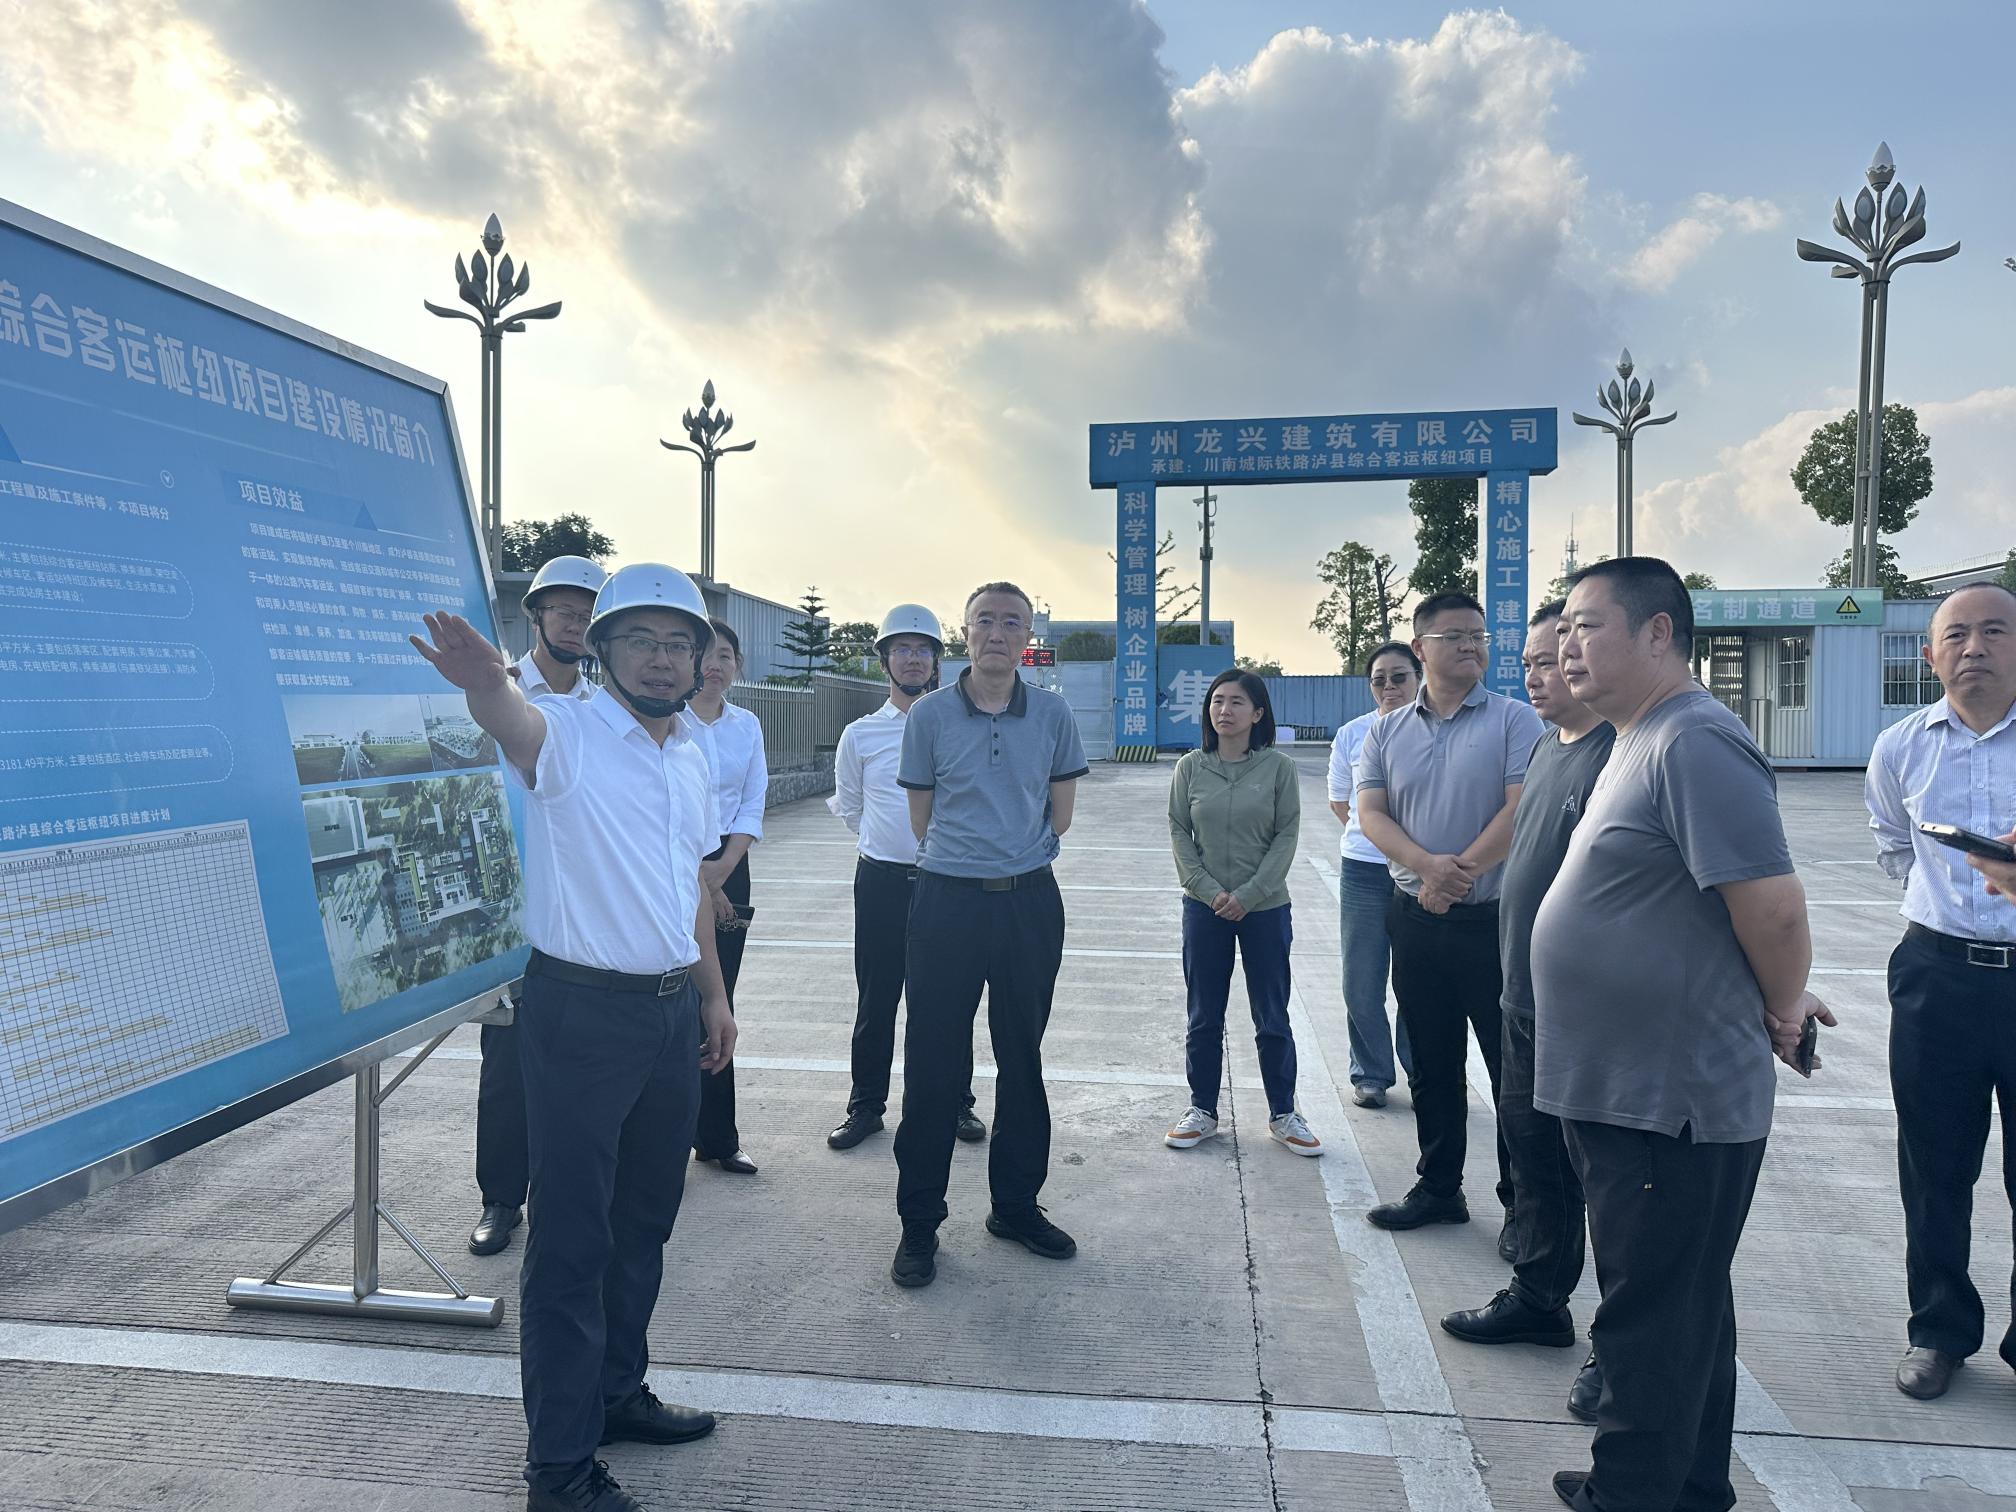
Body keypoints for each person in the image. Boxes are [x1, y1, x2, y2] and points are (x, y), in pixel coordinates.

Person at [411, 563, 736, 1512]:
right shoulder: (571, 733)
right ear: (601, 650)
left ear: (699, 659)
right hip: (581, 1016)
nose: (662, 660)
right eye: (640, 641)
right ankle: (558, 1470)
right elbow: (513, 723)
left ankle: (617, 1394)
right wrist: (485, 684)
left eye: (678, 643)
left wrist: (713, 997)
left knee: (645, 1221)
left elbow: (693, 886)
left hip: (669, 1013)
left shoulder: (694, 754)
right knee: (570, 1244)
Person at [1532, 556, 1833, 1512]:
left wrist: (1783, 1006)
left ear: (1658, 632)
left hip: (1671, 1099)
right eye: (1563, 630)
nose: (1567, 646)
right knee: (1683, 1300)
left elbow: (1772, 908)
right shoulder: (1639, 737)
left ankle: (1632, 1495)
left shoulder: (1696, 739)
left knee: (1651, 1310)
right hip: (1627, 1085)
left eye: (1586, 625)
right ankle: (1688, 1484)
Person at [1439, 601, 1613, 1423]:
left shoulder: (1624, 754)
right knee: (1536, 1162)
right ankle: (1540, 1300)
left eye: (1557, 660)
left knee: (1610, 1188)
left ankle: (1622, 1348)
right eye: (1534, 663)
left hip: (1593, 1015)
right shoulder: (1550, 748)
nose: (1542, 677)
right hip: (1525, 1001)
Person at [889, 581, 1088, 1288]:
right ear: (965, 632)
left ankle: (1015, 1207)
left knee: (1021, 1058)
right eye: (984, 621)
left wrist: (1010, 852)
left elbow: (1060, 815)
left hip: (1029, 904)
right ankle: (919, 1222)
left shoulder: (1054, 714)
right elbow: (921, 819)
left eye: (1012, 622)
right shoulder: (930, 716)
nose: (997, 633)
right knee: (934, 1063)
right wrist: (973, 856)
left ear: (1027, 636)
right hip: (946, 904)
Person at [1864, 582, 2016, 1402]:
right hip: (1935, 976)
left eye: (1994, 631)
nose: (1975, 648)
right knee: (1934, 1168)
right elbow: (1894, 844)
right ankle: (1938, 1330)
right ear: (1930, 655)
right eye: (1956, 635)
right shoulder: (1900, 747)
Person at [1356, 592, 1543, 1246]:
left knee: (1510, 1071)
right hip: (1415, 920)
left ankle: (1522, 1207)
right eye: (1454, 635)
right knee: (1432, 1064)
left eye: (1478, 636)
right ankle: (1439, 1189)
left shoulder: (1515, 720)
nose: (1471, 646)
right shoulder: (1386, 730)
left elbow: (1521, 809)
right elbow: (1371, 813)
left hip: (1493, 924)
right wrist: (1427, 871)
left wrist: (1454, 874)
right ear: (1421, 648)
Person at [471, 553, 608, 1259]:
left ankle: (574, 1193)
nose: (576, 625)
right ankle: (502, 1198)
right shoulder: (497, 687)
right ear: (536, 616)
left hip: (579, 898)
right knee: (508, 1061)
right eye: (565, 611)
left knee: (585, 1058)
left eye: (588, 615)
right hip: (512, 902)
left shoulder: (602, 706)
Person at [826, 604, 985, 1151]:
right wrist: (891, 845)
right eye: (901, 649)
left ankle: (956, 1102)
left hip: (948, 882)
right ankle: (866, 1106)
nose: (913, 659)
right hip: (882, 883)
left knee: (948, 1000)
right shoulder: (861, 735)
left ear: (937, 661)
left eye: (923, 650)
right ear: (884, 660)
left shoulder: (958, 725)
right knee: (877, 1000)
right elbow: (852, 808)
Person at [1165, 669, 1320, 1157]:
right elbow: (1178, 830)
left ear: (1257, 713)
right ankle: (1202, 1110)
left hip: (1265, 909)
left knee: (1272, 1014)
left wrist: (1250, 895)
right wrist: (1208, 890)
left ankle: (1283, 1113)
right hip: (1204, 908)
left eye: (1236, 702)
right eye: (1216, 701)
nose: (1224, 710)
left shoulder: (1278, 768)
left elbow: (1286, 835)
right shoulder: (1190, 767)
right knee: (1203, 1015)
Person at [683, 618, 768, 1175]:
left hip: (729, 865)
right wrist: (697, 876)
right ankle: (667, 1138)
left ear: (738, 666)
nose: (715, 665)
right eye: (706, 654)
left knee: (719, 999)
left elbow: (753, 801)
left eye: (726, 656)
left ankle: (717, 1138)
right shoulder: (668, 720)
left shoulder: (747, 725)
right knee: (674, 1000)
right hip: (673, 862)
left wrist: (722, 871)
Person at [1327, 642, 1420, 1108]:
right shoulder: (1352, 734)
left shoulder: (1435, 730)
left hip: (1422, 871)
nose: (1389, 687)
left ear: (1420, 678)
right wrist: (1377, 838)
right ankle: (1370, 1073)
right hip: (1363, 870)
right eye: (1379, 679)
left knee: (1419, 979)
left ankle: (1422, 1071)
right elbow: (1340, 802)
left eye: (1399, 677)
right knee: (1361, 979)